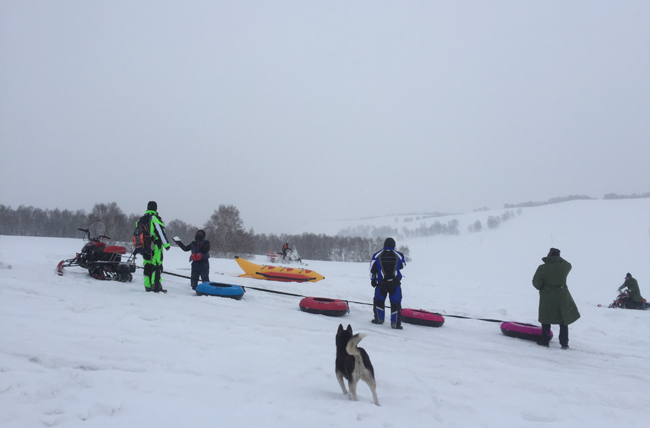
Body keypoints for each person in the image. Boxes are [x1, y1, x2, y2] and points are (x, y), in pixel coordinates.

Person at [532, 248, 581, 349]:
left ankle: (545, 341)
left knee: (546, 318)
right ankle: (564, 343)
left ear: (549, 255)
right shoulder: (565, 266)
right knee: (563, 319)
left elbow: (536, 284)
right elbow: (567, 263)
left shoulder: (542, 268)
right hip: (562, 296)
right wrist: (557, 260)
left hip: (547, 296)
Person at [369, 237, 406, 329]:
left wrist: (373, 280)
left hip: (382, 283)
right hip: (395, 283)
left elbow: (372, 270)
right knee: (395, 302)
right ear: (394, 245)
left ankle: (379, 319)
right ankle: (395, 324)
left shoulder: (377, 255)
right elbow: (403, 265)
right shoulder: (399, 255)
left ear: (384, 245)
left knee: (379, 300)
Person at [138, 201, 171, 293]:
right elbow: (160, 232)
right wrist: (166, 245)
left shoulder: (141, 219)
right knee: (156, 265)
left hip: (144, 247)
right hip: (155, 246)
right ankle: (156, 287)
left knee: (147, 265)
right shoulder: (154, 218)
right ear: (156, 208)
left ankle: (148, 287)